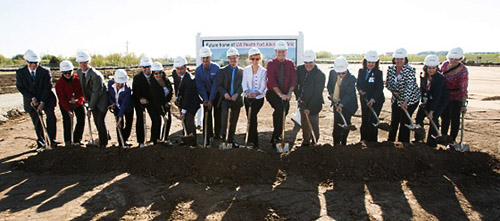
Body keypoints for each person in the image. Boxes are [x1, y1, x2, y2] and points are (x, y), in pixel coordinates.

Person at [16, 49, 57, 151]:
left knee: (51, 117)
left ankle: (52, 140)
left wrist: (42, 102)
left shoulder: (45, 71)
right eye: (31, 63)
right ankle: (41, 142)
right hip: (31, 101)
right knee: (37, 121)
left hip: (46, 98)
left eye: (36, 62)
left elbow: (47, 87)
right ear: (26, 62)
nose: (34, 65)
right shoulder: (20, 72)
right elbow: (21, 87)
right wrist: (33, 98)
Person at [385, 48, 421, 143]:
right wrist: (393, 91)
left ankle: (403, 143)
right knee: (394, 120)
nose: (399, 61)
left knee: (404, 121)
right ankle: (391, 141)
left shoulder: (410, 70)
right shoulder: (391, 69)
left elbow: (409, 86)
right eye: (397, 59)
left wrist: (405, 101)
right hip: (396, 99)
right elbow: (387, 83)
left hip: (411, 99)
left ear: (405, 59)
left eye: (401, 59)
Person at [266, 40, 297, 144]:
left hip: (286, 93)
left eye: (283, 52)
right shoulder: (271, 64)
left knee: (284, 111)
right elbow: (272, 81)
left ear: (286, 52)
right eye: (279, 52)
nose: (281, 54)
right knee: (280, 109)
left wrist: (289, 93)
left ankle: (276, 135)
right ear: (275, 52)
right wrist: (280, 94)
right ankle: (276, 136)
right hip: (273, 93)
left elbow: (293, 79)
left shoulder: (290, 64)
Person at [76, 51, 109, 148]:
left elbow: (96, 93)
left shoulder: (96, 75)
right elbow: (83, 87)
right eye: (80, 62)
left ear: (88, 62)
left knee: (100, 120)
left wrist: (90, 107)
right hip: (91, 100)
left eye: (84, 62)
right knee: (96, 120)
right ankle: (105, 136)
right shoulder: (79, 72)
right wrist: (85, 100)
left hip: (102, 100)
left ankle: (103, 143)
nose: (82, 65)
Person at [415, 55, 449, 147]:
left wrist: (432, 111)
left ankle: (432, 142)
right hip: (428, 99)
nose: (431, 70)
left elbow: (438, 95)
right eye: (429, 68)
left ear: (436, 68)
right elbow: (422, 89)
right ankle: (419, 137)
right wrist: (423, 101)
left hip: (440, 101)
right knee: (419, 117)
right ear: (425, 68)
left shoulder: (440, 79)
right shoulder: (423, 76)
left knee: (434, 118)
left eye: (433, 68)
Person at [294, 50, 325, 146]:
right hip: (303, 101)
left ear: (314, 61)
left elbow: (317, 93)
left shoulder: (320, 75)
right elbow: (295, 84)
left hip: (314, 103)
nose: (308, 65)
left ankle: (315, 140)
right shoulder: (299, 70)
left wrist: (309, 108)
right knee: (304, 122)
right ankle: (306, 141)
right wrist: (298, 96)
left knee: (313, 122)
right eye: (306, 63)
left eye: (310, 62)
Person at [327, 56, 358, 145]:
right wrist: (331, 93)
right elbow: (329, 85)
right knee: (337, 124)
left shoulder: (351, 78)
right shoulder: (332, 73)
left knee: (346, 124)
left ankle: (343, 142)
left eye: (343, 73)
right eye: (339, 73)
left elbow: (349, 94)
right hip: (336, 102)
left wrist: (341, 104)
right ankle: (336, 143)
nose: (340, 75)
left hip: (348, 105)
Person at [440, 47, 469, 143]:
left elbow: (463, 89)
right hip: (445, 94)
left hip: (457, 96)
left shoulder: (463, 71)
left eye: (456, 59)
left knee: (455, 118)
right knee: (445, 117)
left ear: (460, 59)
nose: (453, 61)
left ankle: (452, 140)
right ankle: (443, 137)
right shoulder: (444, 65)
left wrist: (463, 104)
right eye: (451, 59)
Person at [132, 56, 162, 147]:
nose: (146, 69)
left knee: (156, 118)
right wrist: (140, 99)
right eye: (144, 67)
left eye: (148, 66)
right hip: (140, 101)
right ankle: (141, 141)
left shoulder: (155, 76)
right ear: (141, 67)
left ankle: (155, 139)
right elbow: (135, 91)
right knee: (140, 120)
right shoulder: (137, 78)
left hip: (152, 101)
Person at [217, 47, 243, 146]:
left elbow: (242, 85)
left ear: (238, 58)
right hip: (225, 99)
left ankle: (231, 138)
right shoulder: (222, 71)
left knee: (234, 120)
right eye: (231, 58)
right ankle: (223, 137)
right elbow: (219, 85)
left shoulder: (242, 71)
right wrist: (225, 94)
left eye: (234, 58)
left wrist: (237, 94)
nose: (233, 60)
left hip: (236, 99)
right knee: (224, 118)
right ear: (228, 58)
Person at [356, 51, 385, 142]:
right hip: (364, 99)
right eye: (369, 62)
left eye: (373, 62)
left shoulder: (378, 73)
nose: (371, 64)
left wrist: (373, 99)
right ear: (365, 62)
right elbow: (358, 84)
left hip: (376, 100)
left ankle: (372, 141)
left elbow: (379, 88)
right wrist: (360, 91)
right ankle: (363, 140)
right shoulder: (361, 71)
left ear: (376, 63)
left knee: (373, 120)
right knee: (364, 119)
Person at [195, 46, 221, 146]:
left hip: (216, 94)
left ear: (210, 57)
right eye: (203, 58)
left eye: (207, 57)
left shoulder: (216, 68)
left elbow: (215, 85)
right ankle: (208, 136)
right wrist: (206, 99)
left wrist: (211, 100)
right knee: (207, 115)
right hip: (205, 94)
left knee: (217, 115)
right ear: (201, 58)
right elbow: (200, 86)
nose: (205, 60)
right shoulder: (198, 70)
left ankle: (217, 135)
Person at [55, 60, 85, 146]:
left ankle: (77, 139)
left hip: (77, 103)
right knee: (67, 121)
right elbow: (62, 98)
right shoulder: (59, 84)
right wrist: (68, 110)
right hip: (65, 104)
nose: (68, 75)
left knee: (81, 119)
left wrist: (78, 100)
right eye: (65, 73)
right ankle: (68, 140)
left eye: (69, 72)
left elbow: (81, 93)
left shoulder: (77, 79)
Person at [242, 47, 267, 147]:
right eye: (252, 59)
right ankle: (252, 139)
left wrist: (256, 93)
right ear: (250, 59)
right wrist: (247, 93)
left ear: (260, 59)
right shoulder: (246, 70)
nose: (255, 61)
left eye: (257, 59)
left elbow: (263, 85)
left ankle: (252, 140)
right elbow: (244, 83)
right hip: (247, 97)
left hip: (258, 98)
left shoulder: (263, 71)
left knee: (252, 116)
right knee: (250, 117)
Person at [173, 56, 201, 144]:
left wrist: (183, 111)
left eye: (182, 69)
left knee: (189, 121)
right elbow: (177, 87)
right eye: (178, 69)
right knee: (184, 121)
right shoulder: (175, 73)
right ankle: (186, 139)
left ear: (186, 68)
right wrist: (177, 97)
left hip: (192, 102)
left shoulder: (190, 79)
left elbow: (188, 96)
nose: (179, 71)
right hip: (183, 100)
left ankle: (193, 142)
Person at [107, 69, 134, 147]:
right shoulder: (110, 84)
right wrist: (112, 103)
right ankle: (120, 142)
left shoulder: (127, 89)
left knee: (128, 124)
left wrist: (120, 117)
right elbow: (109, 95)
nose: (119, 85)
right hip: (116, 106)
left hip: (128, 108)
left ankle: (124, 140)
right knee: (119, 125)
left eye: (122, 83)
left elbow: (125, 104)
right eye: (118, 83)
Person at [151, 61, 173, 144]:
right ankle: (155, 140)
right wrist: (163, 114)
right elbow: (156, 101)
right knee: (158, 121)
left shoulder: (166, 81)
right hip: (156, 105)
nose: (158, 75)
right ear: (153, 74)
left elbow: (171, 91)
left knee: (168, 121)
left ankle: (165, 138)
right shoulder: (153, 85)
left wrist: (168, 101)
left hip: (165, 103)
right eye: (156, 73)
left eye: (160, 73)